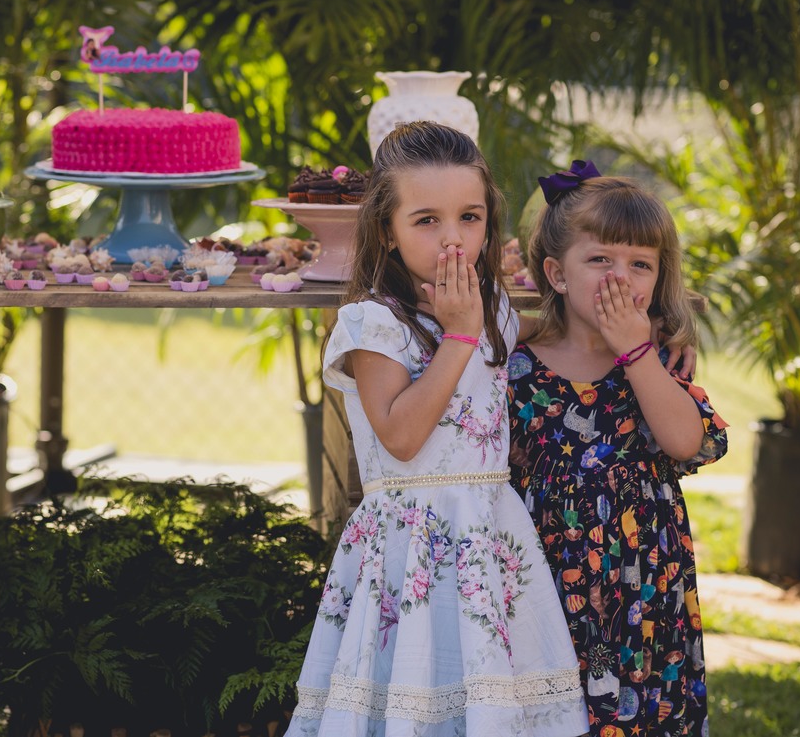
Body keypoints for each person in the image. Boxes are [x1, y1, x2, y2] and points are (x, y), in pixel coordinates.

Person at [286, 122, 589, 737]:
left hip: (488, 537)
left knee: (490, 705)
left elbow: (552, 339)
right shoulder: (373, 324)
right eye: (426, 221)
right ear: (386, 232)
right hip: (409, 548)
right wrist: (457, 334)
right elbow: (401, 436)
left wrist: (654, 342)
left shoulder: (492, 308)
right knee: (412, 702)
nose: (454, 240)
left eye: (470, 218)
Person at [507, 162, 728, 737]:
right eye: (599, 259)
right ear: (556, 273)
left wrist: (636, 353)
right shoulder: (517, 368)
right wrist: (526, 328)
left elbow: (686, 441)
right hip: (545, 581)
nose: (619, 277)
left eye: (640, 265)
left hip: (644, 589)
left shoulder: (656, 364)